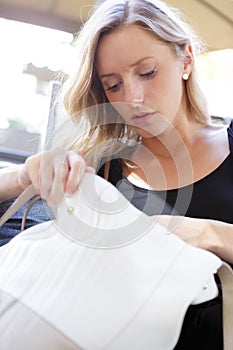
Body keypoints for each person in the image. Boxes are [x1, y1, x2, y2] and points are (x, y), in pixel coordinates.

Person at [0, 0, 232, 347]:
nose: (133, 98)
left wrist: (208, 234)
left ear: (186, 59)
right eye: (113, 85)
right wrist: (22, 177)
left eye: (147, 72)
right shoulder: (99, 171)